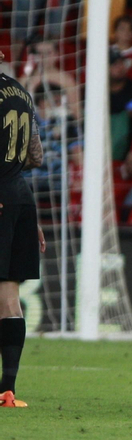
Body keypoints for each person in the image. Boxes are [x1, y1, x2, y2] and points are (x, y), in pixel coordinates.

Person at [0, 66, 44, 408]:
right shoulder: (22, 94)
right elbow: (36, 155)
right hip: (20, 198)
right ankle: (8, 389)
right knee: (9, 296)